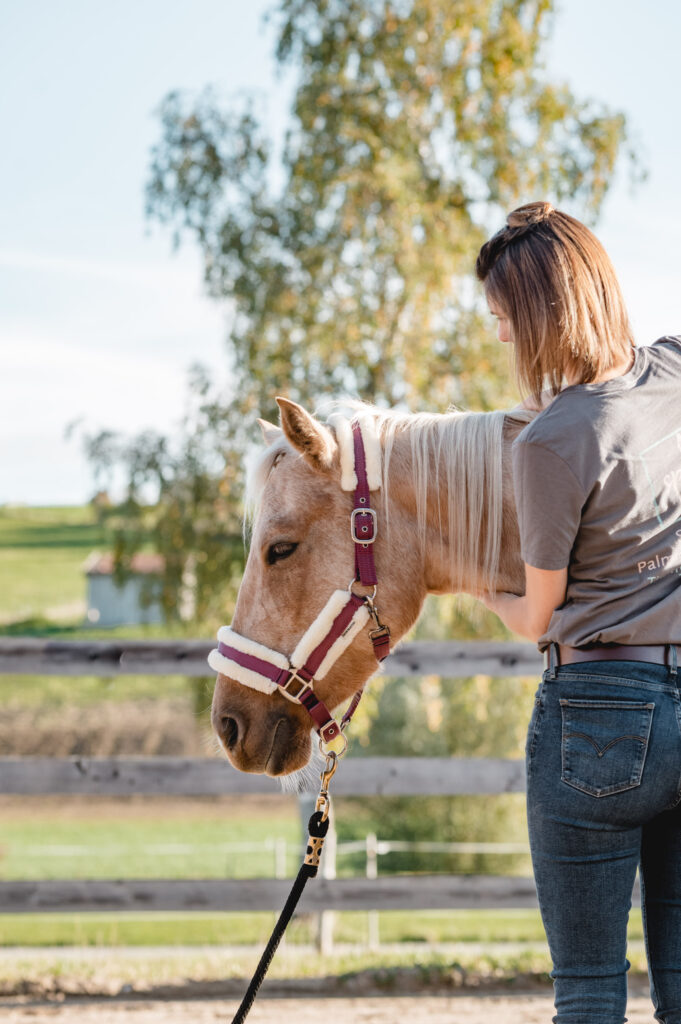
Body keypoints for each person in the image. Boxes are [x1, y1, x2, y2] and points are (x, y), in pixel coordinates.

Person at [475, 201, 681, 1024]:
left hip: (597, 713)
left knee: (591, 991)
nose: (499, 339)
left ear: (539, 317)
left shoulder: (550, 442)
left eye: (501, 318)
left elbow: (535, 616)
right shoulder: (673, 373)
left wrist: (476, 586)